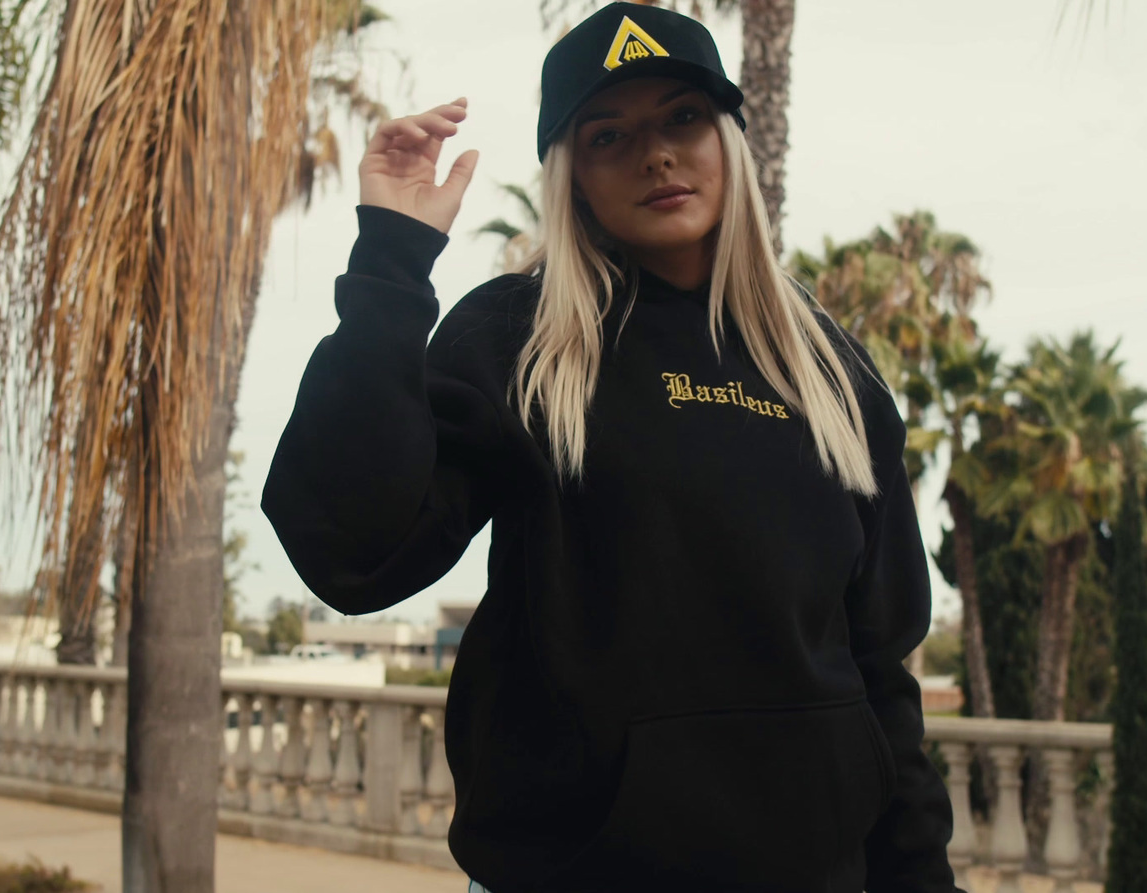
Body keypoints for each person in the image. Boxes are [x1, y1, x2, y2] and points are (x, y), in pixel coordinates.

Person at [262, 3, 960, 891]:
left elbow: (879, 673)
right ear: (572, 176)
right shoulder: (522, 338)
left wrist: (920, 878)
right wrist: (391, 263)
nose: (656, 153)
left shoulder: (830, 371)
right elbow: (353, 553)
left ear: (729, 140)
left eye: (682, 118)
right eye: (608, 135)